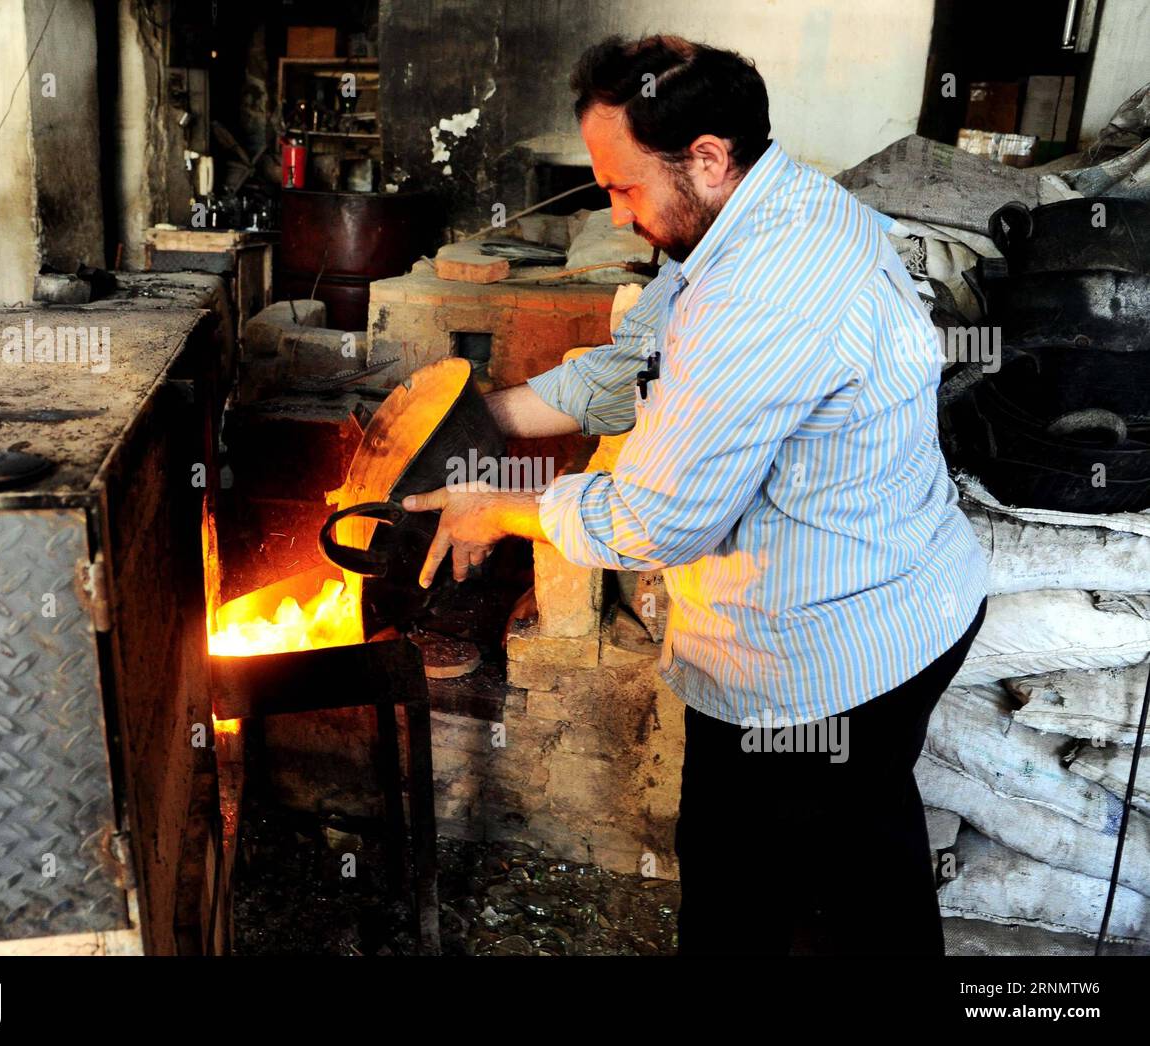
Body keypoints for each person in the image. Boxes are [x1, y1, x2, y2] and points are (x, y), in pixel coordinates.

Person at [403, 34, 988, 955]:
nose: (617, 210)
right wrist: (490, 421)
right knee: (851, 859)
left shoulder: (765, 289)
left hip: (829, 662)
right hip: (890, 610)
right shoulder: (753, 212)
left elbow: (659, 520)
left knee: (761, 891)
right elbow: (638, 356)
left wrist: (504, 508)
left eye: (626, 186)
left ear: (707, 156)